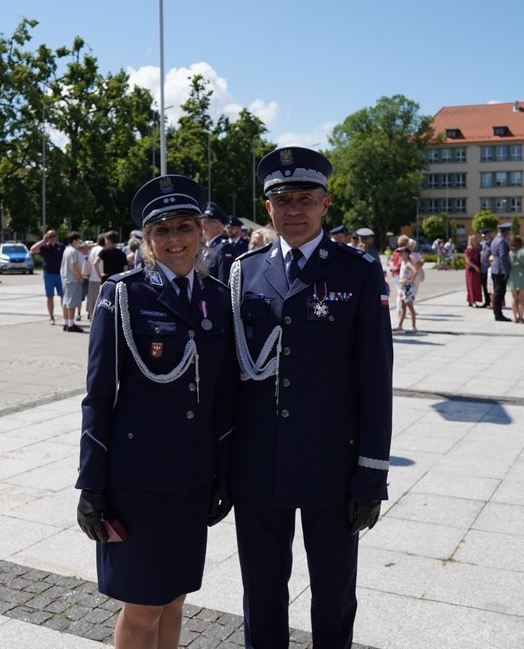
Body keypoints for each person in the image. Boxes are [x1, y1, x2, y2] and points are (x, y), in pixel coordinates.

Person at [230, 145, 393, 649]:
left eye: (305, 198)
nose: (294, 210)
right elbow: (229, 378)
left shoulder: (358, 272)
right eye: (283, 200)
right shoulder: (243, 271)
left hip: (332, 464)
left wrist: (372, 471)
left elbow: (375, 378)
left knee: (333, 594)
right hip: (258, 463)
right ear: (269, 208)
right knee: (261, 590)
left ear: (326, 203)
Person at [75, 174, 237, 649]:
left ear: (201, 233)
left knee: (175, 598)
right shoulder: (123, 294)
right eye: (161, 231)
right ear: (147, 240)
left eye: (184, 227)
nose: (174, 239)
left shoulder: (215, 298)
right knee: (143, 604)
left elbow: (222, 396)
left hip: (192, 476)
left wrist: (222, 475)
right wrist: (91, 484)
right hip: (137, 480)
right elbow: (99, 396)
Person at [30, 230, 65, 324]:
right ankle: (51, 317)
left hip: (60, 274)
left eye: (53, 236)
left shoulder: (61, 246)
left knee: (63, 296)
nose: (52, 238)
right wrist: (43, 241)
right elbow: (33, 250)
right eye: (50, 236)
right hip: (48, 274)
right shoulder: (45, 247)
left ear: (56, 236)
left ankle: (66, 316)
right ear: (47, 237)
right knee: (50, 297)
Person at [61, 231, 85, 333]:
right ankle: (71, 324)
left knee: (66, 302)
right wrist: (80, 277)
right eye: (78, 240)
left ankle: (66, 322)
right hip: (73, 280)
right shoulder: (73, 251)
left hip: (66, 279)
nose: (79, 242)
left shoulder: (66, 250)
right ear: (74, 240)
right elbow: (74, 266)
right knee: (72, 303)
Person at [489, 223, 511, 322]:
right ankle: (498, 314)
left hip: (495, 268)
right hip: (500, 270)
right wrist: (506, 271)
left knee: (497, 292)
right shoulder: (502, 241)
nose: (509, 233)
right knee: (499, 292)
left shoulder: (495, 240)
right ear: (505, 231)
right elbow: (503, 257)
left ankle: (497, 312)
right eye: (508, 231)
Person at [395, 245, 419, 333]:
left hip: (407, 287)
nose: (400, 254)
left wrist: (410, 280)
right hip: (403, 286)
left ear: (406, 253)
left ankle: (413, 326)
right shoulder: (403, 262)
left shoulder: (408, 262)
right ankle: (400, 325)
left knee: (410, 306)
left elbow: (415, 271)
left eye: (401, 252)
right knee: (403, 306)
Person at [507, 235, 524, 323]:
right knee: (521, 298)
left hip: (512, 274)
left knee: (514, 298)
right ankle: (521, 317)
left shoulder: (509, 252)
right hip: (522, 273)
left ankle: (514, 317)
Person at [464, 234, 483, 307]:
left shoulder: (477, 249)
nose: (476, 241)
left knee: (476, 285)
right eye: (474, 240)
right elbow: (467, 261)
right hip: (471, 270)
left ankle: (472, 300)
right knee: (471, 285)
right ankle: (472, 301)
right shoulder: (468, 250)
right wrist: (475, 267)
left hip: (476, 270)